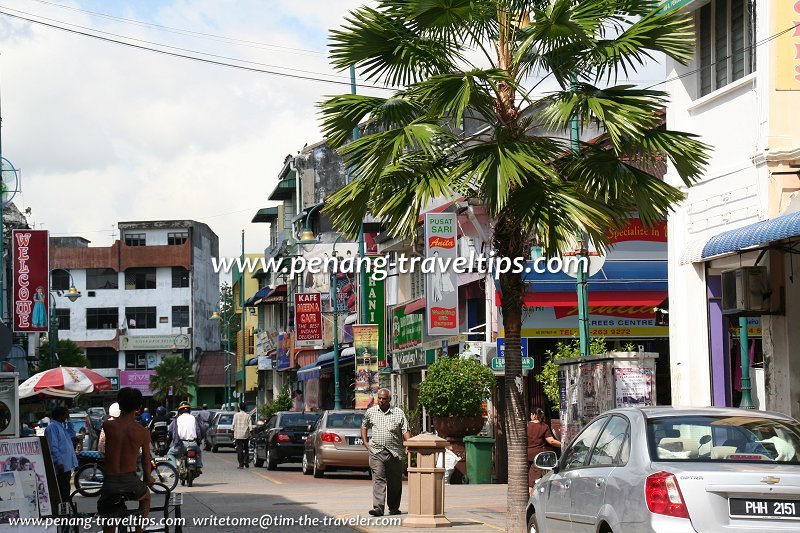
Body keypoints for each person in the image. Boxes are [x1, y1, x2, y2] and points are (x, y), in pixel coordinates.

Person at [97, 387, 153, 533]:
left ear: (119, 405)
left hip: (110, 483)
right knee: (146, 497)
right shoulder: (143, 432)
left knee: (108, 514)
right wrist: (148, 478)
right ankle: (139, 531)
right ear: (138, 408)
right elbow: (147, 460)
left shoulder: (108, 425)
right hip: (131, 482)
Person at [361, 388, 411, 517]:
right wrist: (366, 442)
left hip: (394, 452)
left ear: (389, 400)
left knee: (395, 481)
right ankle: (378, 507)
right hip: (377, 451)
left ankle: (394, 507)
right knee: (378, 479)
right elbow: (364, 426)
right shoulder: (371, 412)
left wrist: (409, 444)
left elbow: (405, 430)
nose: (381, 401)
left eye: (384, 399)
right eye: (380, 398)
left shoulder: (398, 413)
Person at [44, 405, 78, 502]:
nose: (66, 417)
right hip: (61, 465)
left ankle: (66, 510)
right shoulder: (52, 428)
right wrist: (59, 462)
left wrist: (69, 418)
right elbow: (53, 447)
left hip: (66, 465)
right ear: (60, 416)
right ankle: (63, 512)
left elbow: (72, 433)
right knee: (62, 491)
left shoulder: (61, 427)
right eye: (65, 415)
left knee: (66, 490)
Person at [527, 407, 561, 494]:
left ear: (534, 415)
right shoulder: (544, 426)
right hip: (538, 457)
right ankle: (531, 499)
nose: (530, 416)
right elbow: (551, 441)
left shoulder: (526, 425)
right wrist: (564, 444)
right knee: (533, 481)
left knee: (527, 480)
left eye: (531, 414)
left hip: (525, 455)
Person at [167, 401, 205, 471]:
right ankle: (199, 465)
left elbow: (170, 431)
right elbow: (202, 430)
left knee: (170, 453)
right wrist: (198, 441)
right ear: (189, 410)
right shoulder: (194, 418)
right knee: (198, 451)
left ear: (179, 410)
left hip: (181, 445)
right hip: (193, 444)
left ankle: (174, 469)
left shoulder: (176, 420)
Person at [232, 403, 252, 469]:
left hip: (238, 435)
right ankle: (246, 460)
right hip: (245, 435)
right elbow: (250, 426)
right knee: (246, 449)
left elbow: (233, 425)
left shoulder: (236, 415)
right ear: (245, 408)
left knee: (239, 450)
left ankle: (241, 464)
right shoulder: (247, 416)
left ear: (239, 408)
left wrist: (232, 433)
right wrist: (251, 433)